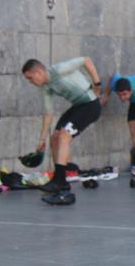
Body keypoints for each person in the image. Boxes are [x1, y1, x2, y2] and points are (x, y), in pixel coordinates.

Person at [21, 55, 104, 204]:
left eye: (30, 78)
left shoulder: (59, 70)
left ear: (38, 72)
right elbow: (48, 114)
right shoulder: (45, 87)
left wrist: (97, 83)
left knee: (64, 136)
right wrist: (42, 140)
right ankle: (61, 180)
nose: (30, 82)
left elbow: (86, 60)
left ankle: (59, 180)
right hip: (78, 107)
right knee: (55, 137)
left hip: (91, 105)